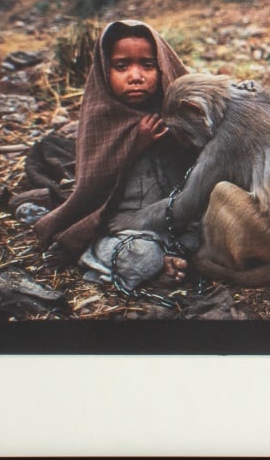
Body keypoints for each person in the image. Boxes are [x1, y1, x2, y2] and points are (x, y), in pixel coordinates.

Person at [33, 20, 196, 289]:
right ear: (104, 70)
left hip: (176, 223)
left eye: (147, 65)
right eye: (122, 66)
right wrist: (135, 147)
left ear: (163, 67)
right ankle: (97, 256)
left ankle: (169, 261)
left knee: (219, 237)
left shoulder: (175, 114)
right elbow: (95, 189)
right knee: (142, 256)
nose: (135, 76)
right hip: (125, 229)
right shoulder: (101, 120)